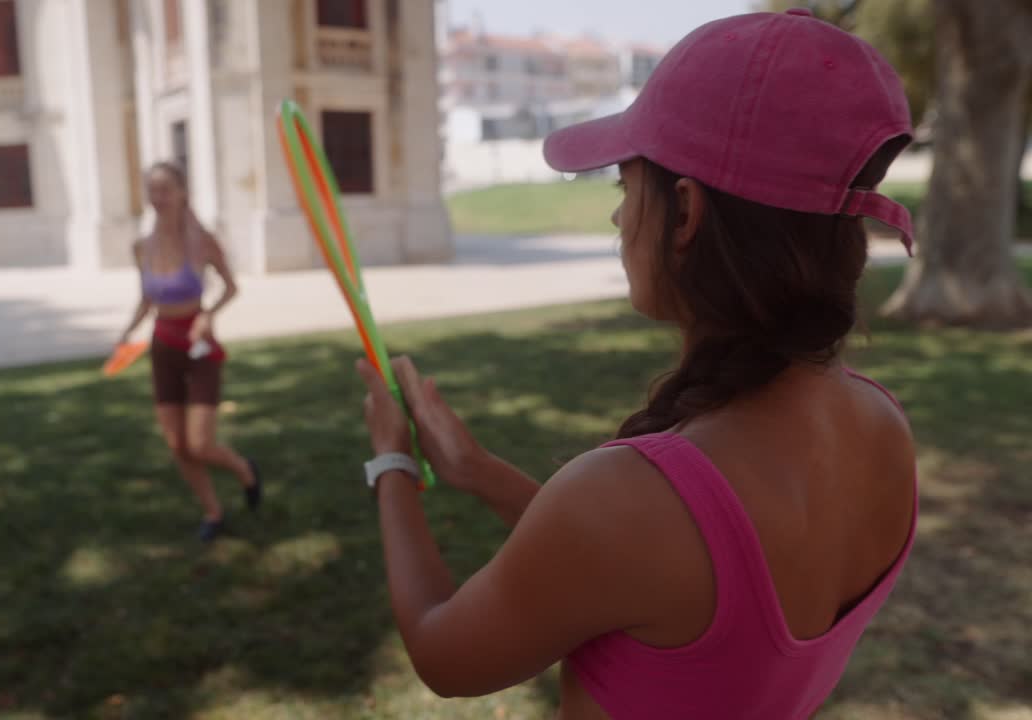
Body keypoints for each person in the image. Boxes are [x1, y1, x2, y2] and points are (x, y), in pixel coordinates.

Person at [354, 9, 918, 719]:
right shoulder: (882, 426)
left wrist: (392, 465)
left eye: (625, 188)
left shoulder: (633, 498)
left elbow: (443, 656)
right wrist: (480, 472)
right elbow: (649, 574)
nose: (620, 220)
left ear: (684, 213)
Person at [118, 162, 260, 543]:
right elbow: (146, 299)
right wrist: (127, 332)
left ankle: (245, 469)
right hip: (162, 346)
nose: (158, 197)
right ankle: (213, 512)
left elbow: (231, 287)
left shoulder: (202, 241)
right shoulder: (141, 247)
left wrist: (208, 315)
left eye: (165, 189)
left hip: (198, 346)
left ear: (182, 193)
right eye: (152, 189)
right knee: (177, 445)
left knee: (200, 443)